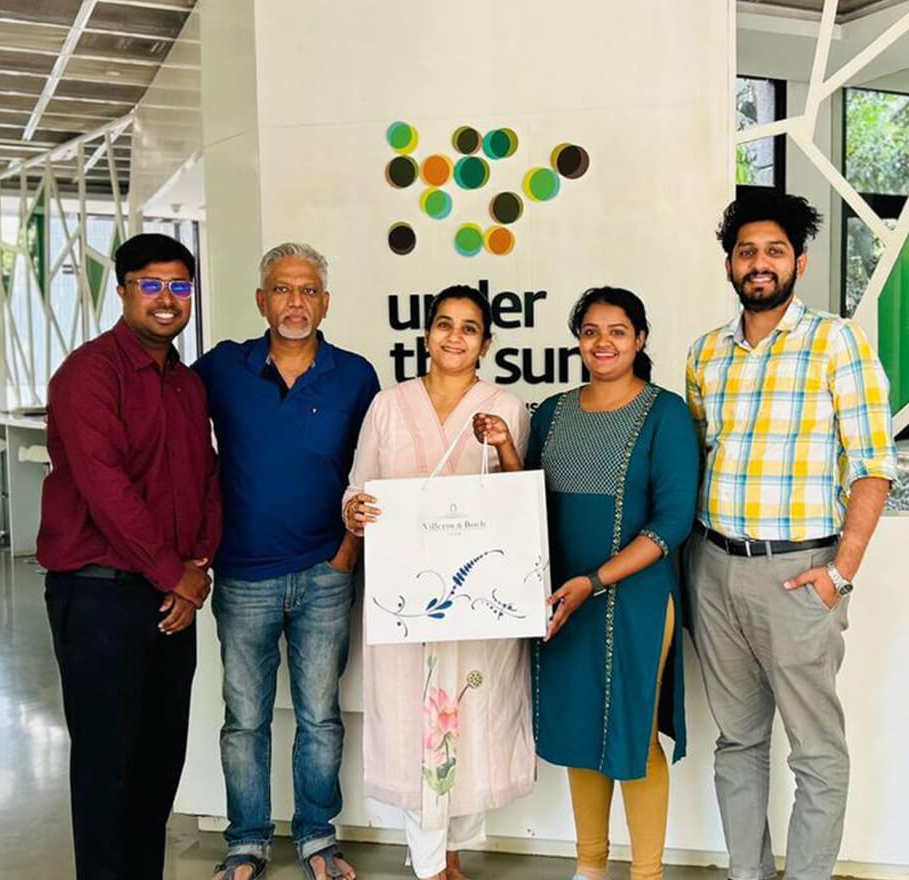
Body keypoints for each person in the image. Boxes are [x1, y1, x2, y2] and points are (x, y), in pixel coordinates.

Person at [686, 193, 898, 880]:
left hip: (800, 573)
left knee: (816, 752)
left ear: (798, 263)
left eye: (774, 251)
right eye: (747, 251)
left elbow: (873, 466)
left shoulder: (837, 342)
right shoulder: (706, 354)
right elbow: (698, 458)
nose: (760, 263)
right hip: (714, 570)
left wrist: (841, 574)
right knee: (737, 741)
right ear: (729, 264)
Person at [192, 243, 379, 880]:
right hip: (243, 574)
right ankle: (246, 842)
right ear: (260, 300)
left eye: (307, 291)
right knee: (244, 720)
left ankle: (317, 837)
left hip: (326, 573)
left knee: (320, 717)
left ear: (325, 303)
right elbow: (175, 437)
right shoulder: (223, 368)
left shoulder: (355, 376)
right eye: (281, 289)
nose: (295, 302)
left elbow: (371, 471)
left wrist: (346, 556)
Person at [38, 232, 220, 880]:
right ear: (122, 292)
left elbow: (206, 477)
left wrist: (197, 565)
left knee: (158, 762)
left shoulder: (188, 385)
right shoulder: (89, 375)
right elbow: (106, 489)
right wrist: (176, 575)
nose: (167, 299)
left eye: (179, 286)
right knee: (107, 767)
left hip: (171, 600)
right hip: (100, 596)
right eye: (151, 285)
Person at [342, 285, 533, 880]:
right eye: (444, 324)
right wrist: (355, 511)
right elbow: (358, 487)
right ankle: (428, 864)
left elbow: (520, 503)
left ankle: (450, 854)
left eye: (469, 327)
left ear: (486, 343)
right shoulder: (388, 405)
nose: (455, 336)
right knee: (411, 719)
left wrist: (503, 445)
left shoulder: (506, 408)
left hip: (477, 604)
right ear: (426, 335)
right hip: (406, 597)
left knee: (471, 719)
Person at [529, 287, 700, 880]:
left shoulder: (665, 413)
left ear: (640, 339)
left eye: (618, 331)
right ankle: (590, 868)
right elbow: (526, 500)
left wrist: (595, 581)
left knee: (634, 732)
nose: (603, 343)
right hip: (562, 596)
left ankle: (647, 873)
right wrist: (501, 446)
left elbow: (673, 521)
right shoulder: (551, 413)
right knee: (581, 725)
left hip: (637, 597)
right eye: (591, 331)